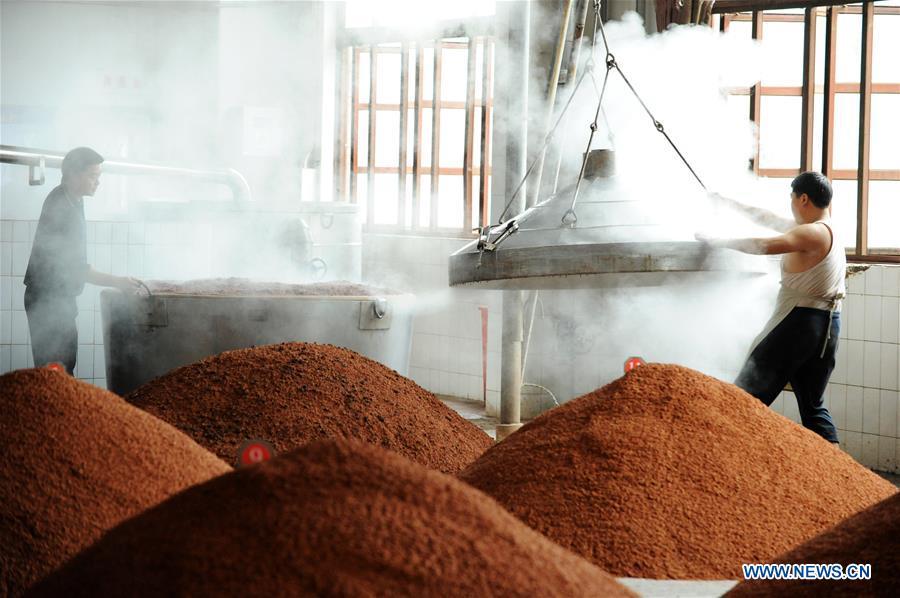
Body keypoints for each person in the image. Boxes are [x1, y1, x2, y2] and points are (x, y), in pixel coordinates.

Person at [696, 172, 845, 444]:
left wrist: (718, 241)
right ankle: (843, 476)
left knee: (744, 396)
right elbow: (765, 218)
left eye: (791, 199)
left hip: (801, 323)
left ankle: (724, 453)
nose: (790, 205)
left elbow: (764, 245)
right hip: (828, 327)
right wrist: (726, 202)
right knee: (813, 407)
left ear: (803, 199)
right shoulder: (823, 229)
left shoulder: (811, 232)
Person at [24, 146, 142, 375]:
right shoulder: (61, 208)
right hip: (47, 300)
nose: (97, 182)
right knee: (56, 371)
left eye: (98, 177)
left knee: (62, 367)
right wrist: (118, 282)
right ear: (74, 175)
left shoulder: (73, 199)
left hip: (58, 298)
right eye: (92, 176)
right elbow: (77, 270)